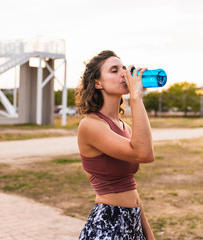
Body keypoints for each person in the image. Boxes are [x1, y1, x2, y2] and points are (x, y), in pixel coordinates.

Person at [75, 50, 155, 240]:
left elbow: (131, 188)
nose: (124, 74)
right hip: (108, 225)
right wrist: (136, 98)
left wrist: (148, 235)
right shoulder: (91, 125)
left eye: (124, 68)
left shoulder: (123, 126)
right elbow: (144, 154)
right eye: (114, 70)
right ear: (97, 83)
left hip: (132, 223)